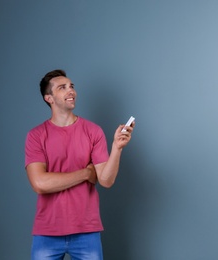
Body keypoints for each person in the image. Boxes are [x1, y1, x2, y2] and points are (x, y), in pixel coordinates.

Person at [24, 69, 135, 260]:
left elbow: (106, 181)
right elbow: (40, 183)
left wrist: (117, 147)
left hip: (86, 231)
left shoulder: (93, 131)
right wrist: (85, 174)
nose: (71, 91)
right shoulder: (36, 136)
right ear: (49, 98)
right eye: (62, 87)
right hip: (47, 231)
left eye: (72, 86)